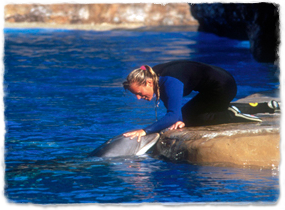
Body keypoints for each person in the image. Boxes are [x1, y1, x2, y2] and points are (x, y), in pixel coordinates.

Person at [122, 60, 281, 142]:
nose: (138, 97)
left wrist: (145, 131)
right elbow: (171, 106)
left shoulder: (170, 81)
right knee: (184, 116)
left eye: (139, 93)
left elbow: (172, 115)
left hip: (223, 87)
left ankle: (231, 115)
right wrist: (178, 119)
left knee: (192, 118)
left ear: (149, 83)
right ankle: (265, 106)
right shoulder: (152, 74)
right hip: (219, 79)